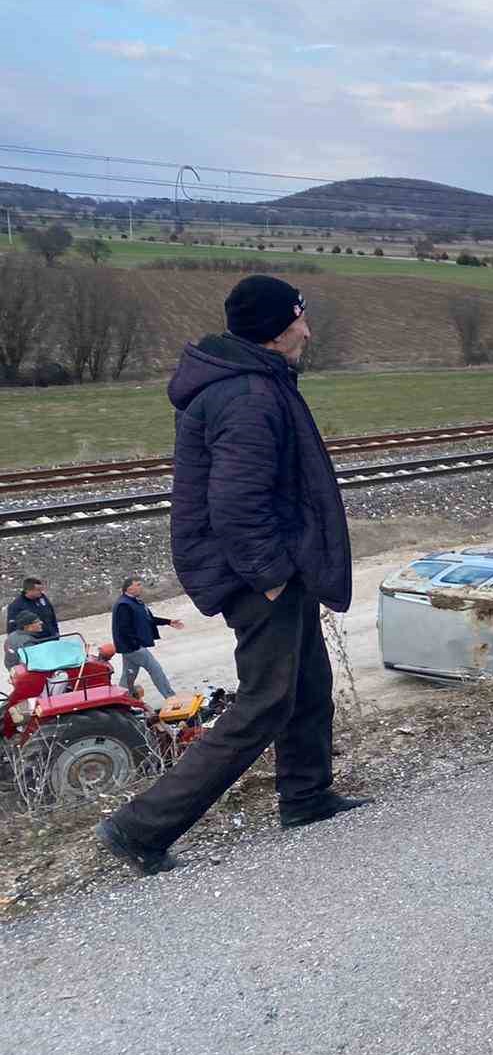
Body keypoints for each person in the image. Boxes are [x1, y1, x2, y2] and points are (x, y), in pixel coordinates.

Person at [96, 275, 367, 876]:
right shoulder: (247, 395)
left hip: (274, 565)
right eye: (300, 319)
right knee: (265, 700)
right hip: (257, 571)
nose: (308, 330)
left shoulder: (257, 381)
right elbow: (238, 503)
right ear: (277, 328)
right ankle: (140, 826)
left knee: (309, 682)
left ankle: (306, 795)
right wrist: (270, 576)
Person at [111, 576, 185, 705]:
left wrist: (168, 622)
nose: (141, 587)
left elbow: (148, 619)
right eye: (138, 585)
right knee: (155, 669)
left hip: (130, 648)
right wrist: (136, 645)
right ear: (129, 588)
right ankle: (171, 697)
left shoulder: (135, 602)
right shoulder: (123, 604)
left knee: (128, 676)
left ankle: (120, 701)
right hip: (133, 648)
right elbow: (123, 629)